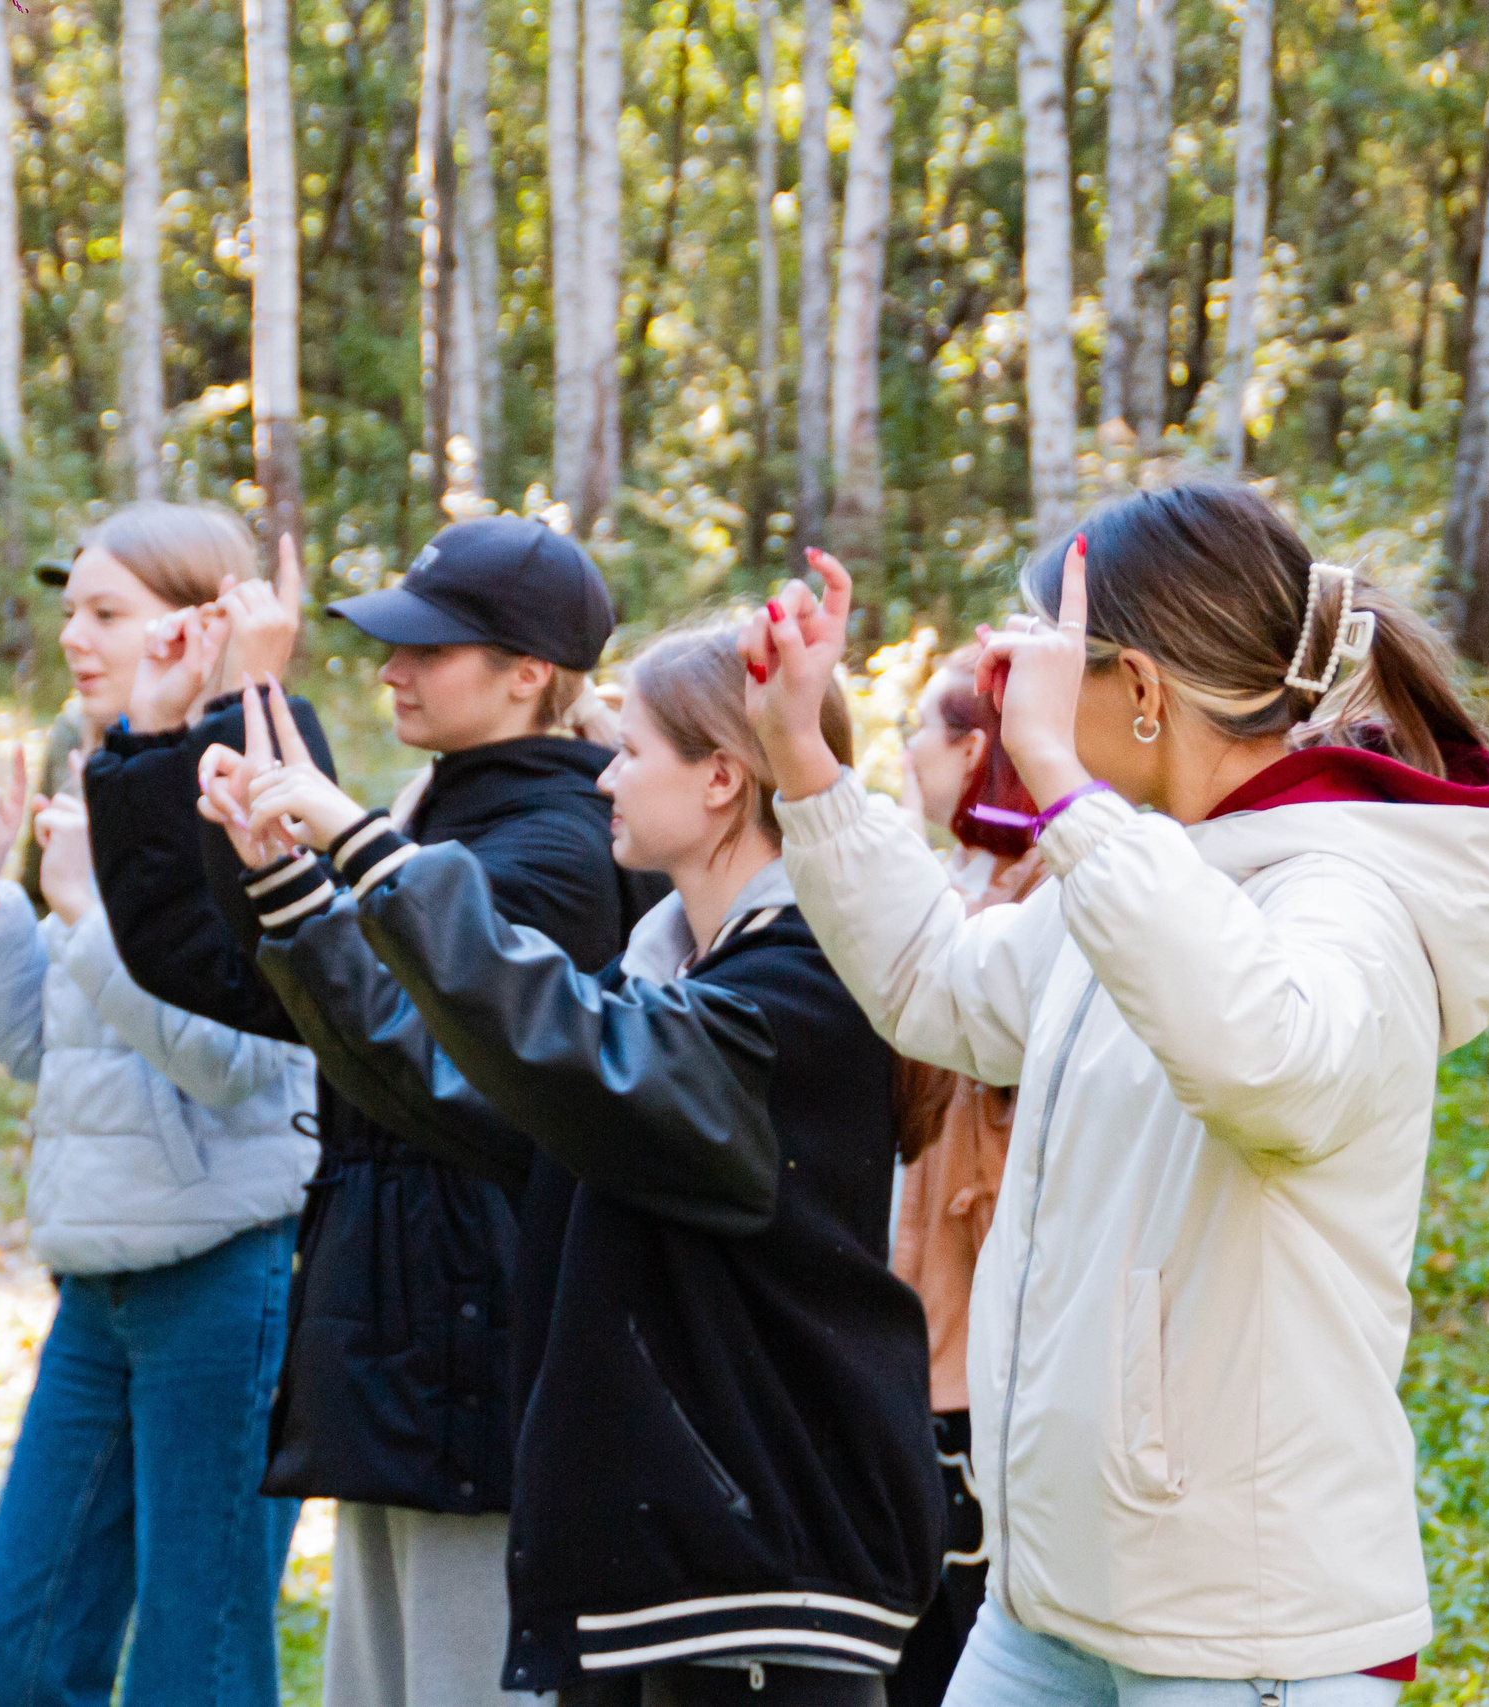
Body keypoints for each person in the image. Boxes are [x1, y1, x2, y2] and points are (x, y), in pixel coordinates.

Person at [744, 485, 1489, 1703]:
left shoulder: (1345, 893)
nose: (1007, 687)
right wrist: (804, 761)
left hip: (1241, 1636)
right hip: (1055, 1599)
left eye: (1041, 656)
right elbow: (939, 987)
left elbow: (1271, 1071)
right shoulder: (1149, 867)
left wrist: (1064, 787)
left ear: (1143, 691)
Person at [209, 627, 945, 1706]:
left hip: (766, 1586)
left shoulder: (800, 989)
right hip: (666, 1576)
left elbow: (566, 1039)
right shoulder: (670, 987)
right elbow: (459, 1084)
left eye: (631, 751)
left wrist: (365, 845)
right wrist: (294, 892)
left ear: (720, 780)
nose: (603, 775)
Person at [84, 515, 659, 1707]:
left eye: (427, 651)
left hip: (482, 1364)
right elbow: (231, 967)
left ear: (527, 674)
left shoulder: (553, 848)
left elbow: (371, 1002)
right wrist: (159, 740)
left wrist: (252, 705)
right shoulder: (442, 816)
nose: (392, 670)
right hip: (402, 1350)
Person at [0, 502, 319, 1707]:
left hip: (226, 1278)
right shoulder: (97, 769)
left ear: (198, 628)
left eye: (106, 612)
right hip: (97, 1285)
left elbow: (240, 1059)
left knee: (195, 1665)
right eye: (70, 613)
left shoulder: (260, 787)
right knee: (19, 1660)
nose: (74, 638)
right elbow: (56, 1055)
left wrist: (92, 917)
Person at [882, 648, 1043, 1707]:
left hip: (982, 1306)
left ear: (974, 746)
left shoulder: (1042, 891)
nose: (904, 753)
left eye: (920, 733)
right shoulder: (960, 879)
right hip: (920, 1283)